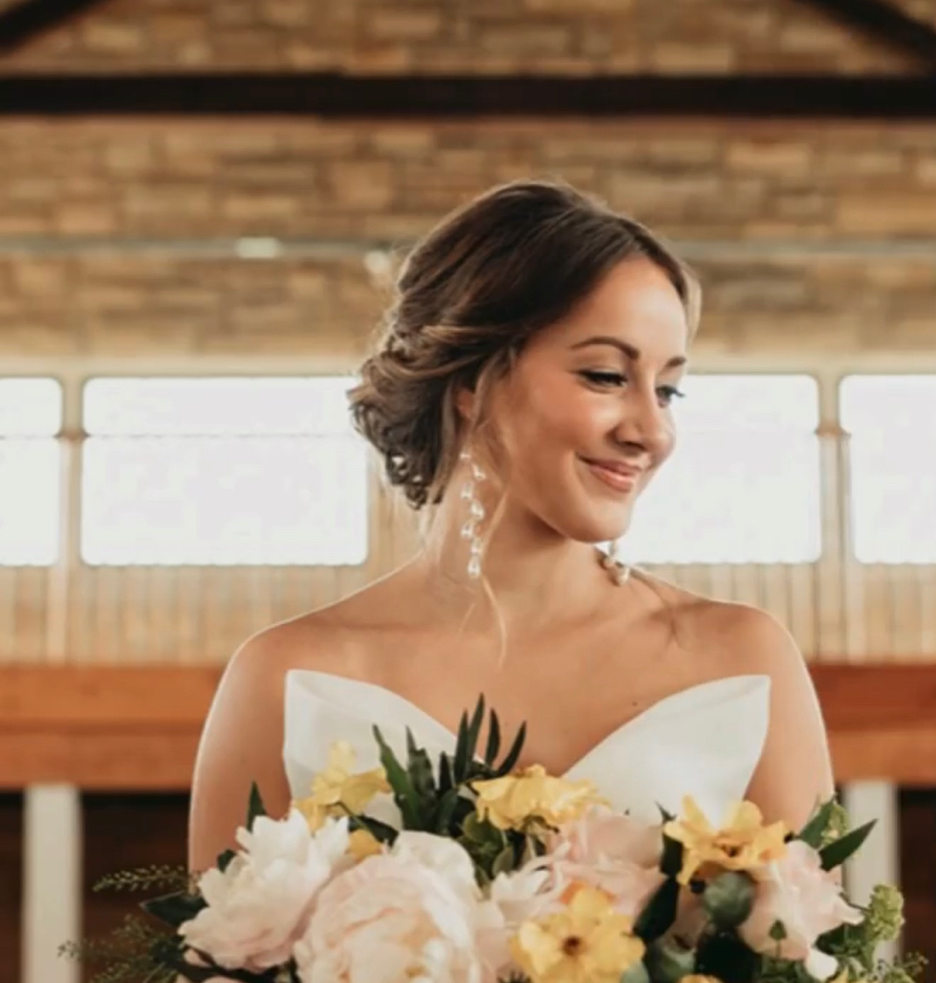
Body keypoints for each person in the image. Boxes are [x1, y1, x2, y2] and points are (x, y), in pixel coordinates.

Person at [188, 179, 834, 876]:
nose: (653, 430)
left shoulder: (744, 660)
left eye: (668, 389)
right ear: (471, 380)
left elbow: (815, 964)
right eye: (605, 376)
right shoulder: (287, 677)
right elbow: (220, 978)